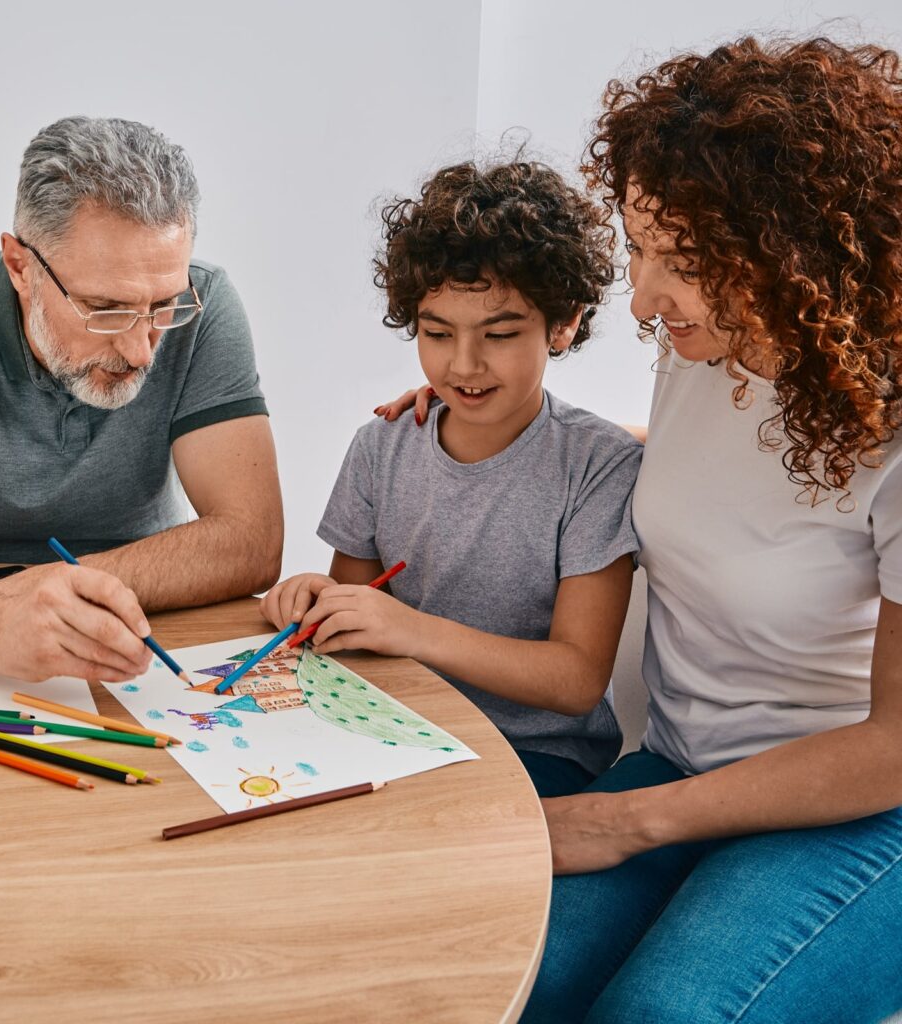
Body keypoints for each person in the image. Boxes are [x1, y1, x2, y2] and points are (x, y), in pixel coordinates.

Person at [383, 36, 902, 1024]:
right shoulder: (703, 349)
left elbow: (896, 744)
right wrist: (488, 416)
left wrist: (630, 820)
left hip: (859, 812)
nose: (646, 297)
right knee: (472, 982)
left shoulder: (889, 427)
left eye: (687, 261)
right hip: (682, 759)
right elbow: (690, 479)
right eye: (637, 246)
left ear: (791, 252)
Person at [261, 159, 642, 796]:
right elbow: (352, 625)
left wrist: (408, 628)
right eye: (437, 332)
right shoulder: (380, 449)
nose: (463, 364)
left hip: (536, 756)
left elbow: (576, 681)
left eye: (499, 333)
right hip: (394, 729)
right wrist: (313, 602)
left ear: (565, 322)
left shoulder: (598, 466)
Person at [0, 116, 282, 685]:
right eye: (107, 308)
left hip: (144, 633)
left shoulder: (205, 302)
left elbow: (251, 540)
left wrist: (20, 600)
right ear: (21, 266)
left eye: (164, 306)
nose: (142, 351)